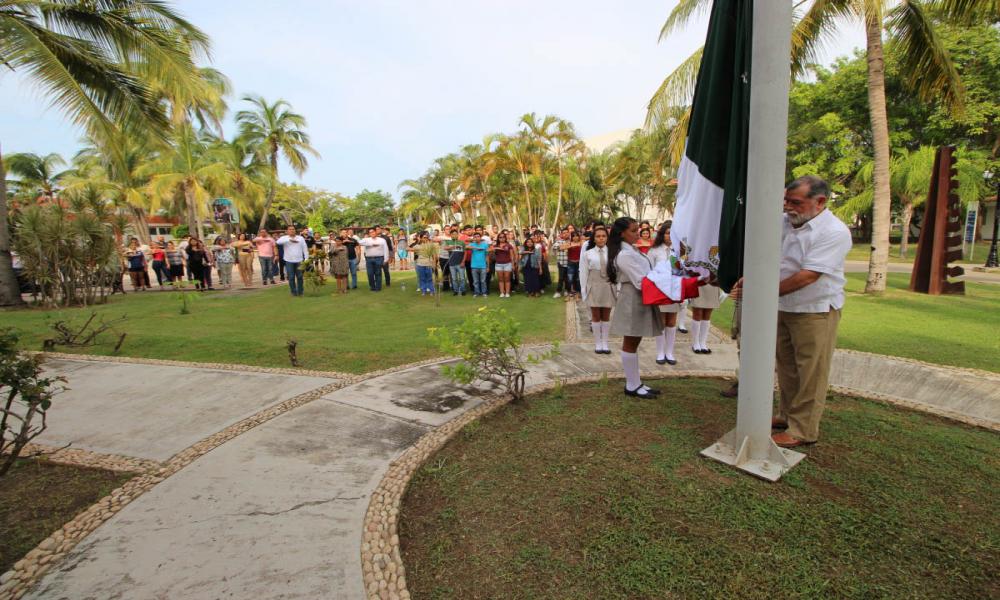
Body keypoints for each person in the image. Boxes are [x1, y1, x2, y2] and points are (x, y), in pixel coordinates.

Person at [731, 175, 851, 448]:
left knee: (811, 371)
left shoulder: (834, 231)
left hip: (814, 310)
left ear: (820, 202)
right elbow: (770, 259)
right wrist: (752, 278)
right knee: (786, 365)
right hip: (781, 305)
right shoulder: (783, 222)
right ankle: (787, 415)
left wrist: (760, 294)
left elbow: (808, 276)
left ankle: (803, 429)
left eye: (795, 202)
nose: (788, 207)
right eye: (786, 200)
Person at [607, 217, 662, 398]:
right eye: (633, 230)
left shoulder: (632, 250)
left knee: (635, 341)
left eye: (637, 229)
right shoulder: (624, 254)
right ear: (622, 233)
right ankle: (631, 385)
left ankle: (636, 382)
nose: (637, 233)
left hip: (641, 296)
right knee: (630, 342)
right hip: (633, 298)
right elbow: (640, 281)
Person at [647, 223, 682, 365]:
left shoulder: (679, 250)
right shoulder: (654, 251)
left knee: (672, 322)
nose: (670, 236)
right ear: (662, 234)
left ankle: (669, 352)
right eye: (667, 233)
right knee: (661, 322)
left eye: (672, 233)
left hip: (674, 289)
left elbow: (682, 271)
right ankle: (660, 352)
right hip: (660, 289)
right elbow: (649, 270)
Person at [579, 226, 615, 354]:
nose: (601, 238)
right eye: (598, 236)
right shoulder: (588, 253)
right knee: (595, 315)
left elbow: (617, 271)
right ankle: (598, 343)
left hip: (608, 285)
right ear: (594, 238)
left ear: (607, 238)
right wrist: (583, 290)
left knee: (606, 315)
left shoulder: (612, 252)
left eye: (603, 236)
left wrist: (617, 288)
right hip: (593, 285)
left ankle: (605, 342)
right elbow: (583, 272)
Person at [276, 226, 308, 296]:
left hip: (299, 260)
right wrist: (289, 240)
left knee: (300, 277)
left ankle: (300, 292)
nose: (292, 230)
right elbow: (278, 242)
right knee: (291, 277)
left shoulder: (300, 238)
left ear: (295, 230)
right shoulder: (284, 238)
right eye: (290, 229)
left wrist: (306, 259)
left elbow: (305, 248)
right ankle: (293, 292)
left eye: (293, 229)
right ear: (287, 231)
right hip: (289, 260)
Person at [359, 227, 390, 291]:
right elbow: (359, 242)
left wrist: (386, 259)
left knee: (378, 273)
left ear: (376, 232)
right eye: (370, 232)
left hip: (379, 258)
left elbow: (386, 249)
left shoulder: (382, 240)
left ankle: (378, 287)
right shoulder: (367, 239)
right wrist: (371, 244)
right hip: (369, 259)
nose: (372, 233)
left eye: (373, 232)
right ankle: (372, 287)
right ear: (369, 234)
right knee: (370, 274)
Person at [492, 231, 516, 298]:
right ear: (498, 238)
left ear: (505, 238)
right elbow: (489, 251)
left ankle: (507, 293)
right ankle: (502, 292)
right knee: (500, 279)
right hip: (498, 264)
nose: (502, 238)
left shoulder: (508, 245)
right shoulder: (496, 246)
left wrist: (513, 264)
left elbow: (512, 256)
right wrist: (495, 248)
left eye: (503, 237)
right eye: (500, 237)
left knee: (507, 279)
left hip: (507, 264)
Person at [443, 229, 467, 296]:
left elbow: (465, 253)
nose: (454, 235)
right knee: (454, 279)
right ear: (450, 235)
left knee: (462, 278)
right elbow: (445, 248)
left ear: (458, 235)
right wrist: (452, 246)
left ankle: (463, 290)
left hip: (460, 263)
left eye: (456, 234)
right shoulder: (448, 242)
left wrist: (463, 262)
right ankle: (455, 290)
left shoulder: (462, 242)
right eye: (453, 234)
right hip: (452, 264)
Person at [468, 232, 490, 297]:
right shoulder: (472, 244)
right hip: (474, 266)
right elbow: (466, 247)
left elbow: (487, 256)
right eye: (475, 237)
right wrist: (476, 248)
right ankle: (476, 292)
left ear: (480, 237)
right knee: (475, 281)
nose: (477, 238)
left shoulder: (485, 245)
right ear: (474, 238)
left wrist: (488, 266)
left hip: (483, 266)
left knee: (483, 281)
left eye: (478, 236)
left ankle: (484, 292)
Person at [552, 228, 569, 299]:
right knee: (561, 278)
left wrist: (563, 247)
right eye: (564, 233)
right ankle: (558, 292)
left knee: (568, 278)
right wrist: (566, 246)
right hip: (561, 262)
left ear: (569, 233)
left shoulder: (572, 241)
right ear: (561, 234)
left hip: (570, 263)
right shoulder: (559, 241)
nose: (565, 234)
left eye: (567, 232)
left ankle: (567, 290)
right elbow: (554, 247)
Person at [566, 230, 583, 301]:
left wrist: (579, 243)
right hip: (571, 263)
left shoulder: (581, 243)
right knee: (570, 279)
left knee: (578, 279)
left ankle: (577, 294)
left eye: (576, 236)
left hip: (579, 263)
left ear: (579, 237)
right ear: (571, 237)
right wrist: (571, 245)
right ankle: (569, 294)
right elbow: (561, 248)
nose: (575, 237)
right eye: (573, 236)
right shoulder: (569, 243)